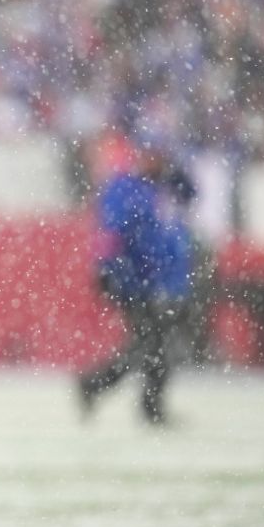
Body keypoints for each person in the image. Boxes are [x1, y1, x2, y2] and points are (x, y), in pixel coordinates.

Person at [78, 138, 196, 426]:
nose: (157, 161)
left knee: (154, 344)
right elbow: (111, 230)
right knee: (152, 343)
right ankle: (107, 387)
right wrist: (107, 267)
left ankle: (106, 387)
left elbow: (192, 196)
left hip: (164, 279)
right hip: (135, 280)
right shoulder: (126, 187)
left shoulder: (162, 187)